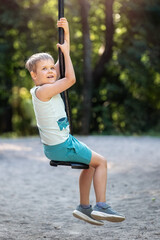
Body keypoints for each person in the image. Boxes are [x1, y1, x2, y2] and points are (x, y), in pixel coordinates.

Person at [25, 18, 125, 226]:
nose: (51, 71)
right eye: (44, 69)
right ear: (34, 76)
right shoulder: (43, 91)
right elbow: (70, 79)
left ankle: (83, 207)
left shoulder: (46, 86)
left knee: (90, 166)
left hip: (57, 145)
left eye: (51, 67)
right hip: (63, 145)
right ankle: (101, 205)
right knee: (102, 162)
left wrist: (66, 35)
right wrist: (66, 56)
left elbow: (63, 57)